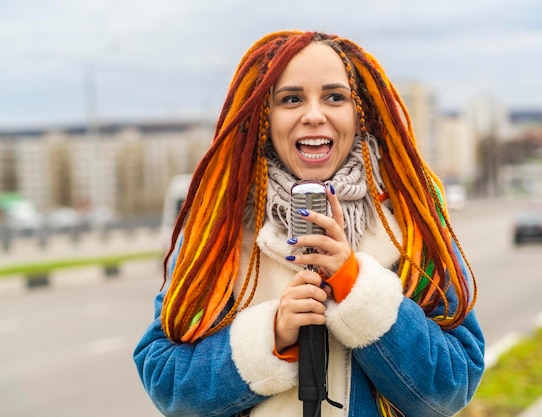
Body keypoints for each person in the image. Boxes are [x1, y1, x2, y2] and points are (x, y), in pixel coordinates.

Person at [134, 30, 485, 417]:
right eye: (291, 99)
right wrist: (273, 336)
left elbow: (452, 387)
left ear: (359, 111)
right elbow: (168, 383)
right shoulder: (221, 226)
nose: (314, 115)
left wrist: (357, 287)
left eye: (335, 97)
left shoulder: (408, 224)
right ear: (264, 116)